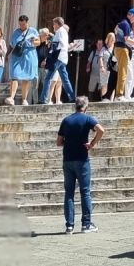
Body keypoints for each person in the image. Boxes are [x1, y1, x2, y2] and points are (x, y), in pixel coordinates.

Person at [57, 94, 104, 234]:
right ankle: (86, 224)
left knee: (69, 193)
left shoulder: (66, 120)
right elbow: (101, 130)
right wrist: (92, 144)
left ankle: (69, 226)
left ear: (75, 105)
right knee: (85, 192)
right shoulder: (87, 119)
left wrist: (69, 142)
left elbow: (59, 142)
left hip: (68, 160)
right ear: (86, 106)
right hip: (82, 159)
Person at [4, 14, 39, 106]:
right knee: (14, 76)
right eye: (20, 24)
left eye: (23, 24)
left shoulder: (33, 31)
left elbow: (38, 42)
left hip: (28, 56)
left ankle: (24, 99)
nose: (22, 26)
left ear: (27, 23)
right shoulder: (16, 32)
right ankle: (11, 97)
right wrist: (7, 54)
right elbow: (12, 44)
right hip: (17, 56)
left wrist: (32, 42)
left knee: (26, 78)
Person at [40, 17, 73, 105]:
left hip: (57, 58)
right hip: (62, 58)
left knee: (48, 78)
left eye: (54, 24)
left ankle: (43, 99)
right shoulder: (63, 32)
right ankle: (72, 97)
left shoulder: (60, 32)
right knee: (65, 79)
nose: (53, 26)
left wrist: (53, 47)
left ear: (57, 24)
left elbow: (61, 44)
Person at [112, 7, 134, 101]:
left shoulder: (122, 23)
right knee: (123, 73)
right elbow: (127, 40)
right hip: (122, 49)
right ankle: (119, 96)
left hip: (119, 49)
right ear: (132, 15)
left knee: (126, 73)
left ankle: (124, 95)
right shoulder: (126, 24)